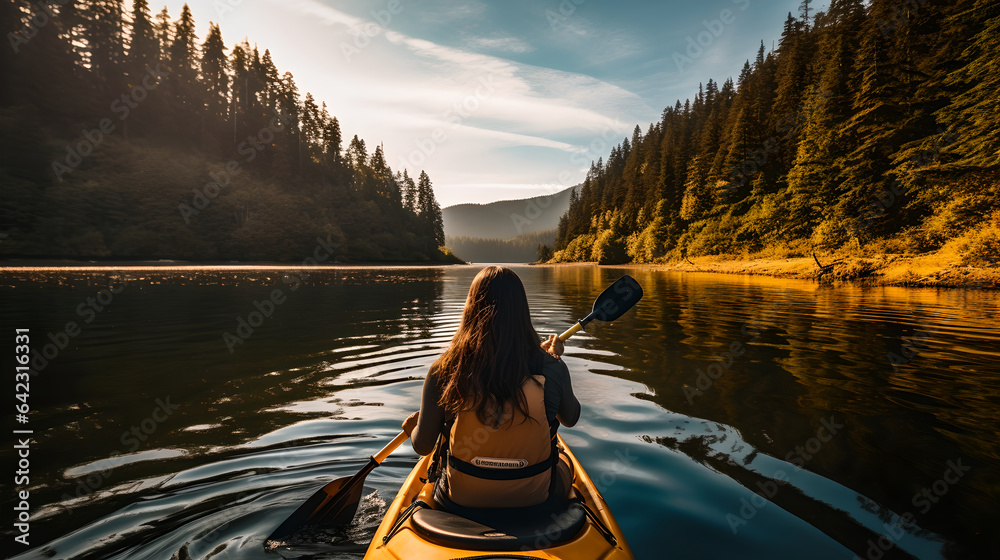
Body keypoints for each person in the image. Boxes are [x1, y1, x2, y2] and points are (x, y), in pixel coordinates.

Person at [401, 266, 581, 510]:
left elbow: (423, 447)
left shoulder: (443, 369)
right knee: (564, 462)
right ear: (522, 311)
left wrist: (413, 429)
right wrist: (556, 362)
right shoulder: (551, 368)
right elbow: (570, 418)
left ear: (471, 308)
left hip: (460, 498)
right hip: (534, 497)